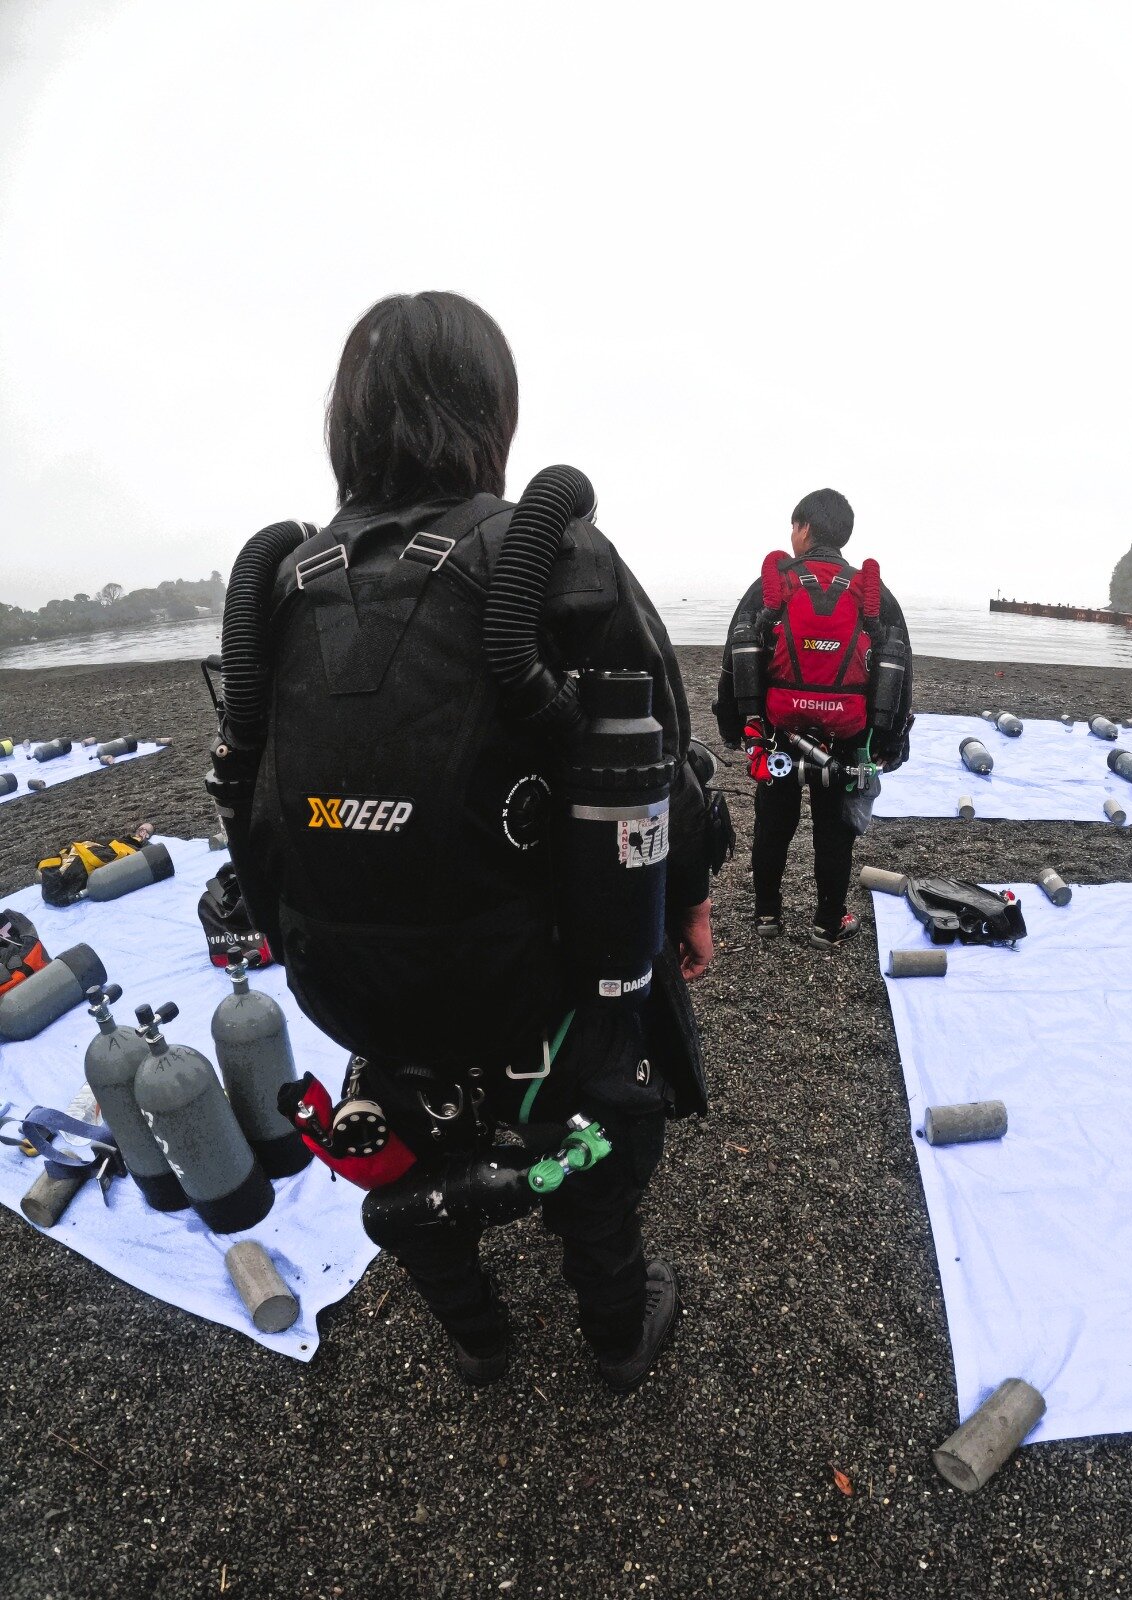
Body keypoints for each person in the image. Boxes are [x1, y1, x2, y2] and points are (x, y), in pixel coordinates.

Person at [213, 292, 713, 1393]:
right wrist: (685, 898)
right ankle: (616, 1333)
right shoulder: (552, 554)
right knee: (592, 1150)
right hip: (541, 982)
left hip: (358, 987)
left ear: (346, 419)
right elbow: (656, 763)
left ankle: (478, 1338)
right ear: (493, 410)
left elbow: (251, 789)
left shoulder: (284, 587)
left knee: (403, 1152)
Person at [714, 489, 912, 948]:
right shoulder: (871, 592)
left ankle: (767, 915)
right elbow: (899, 664)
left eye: (794, 526)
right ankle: (828, 923)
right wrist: (892, 741)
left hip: (778, 734)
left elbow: (735, 655)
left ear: (804, 528)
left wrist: (733, 726)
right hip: (847, 735)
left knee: (772, 825)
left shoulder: (773, 585)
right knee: (834, 833)